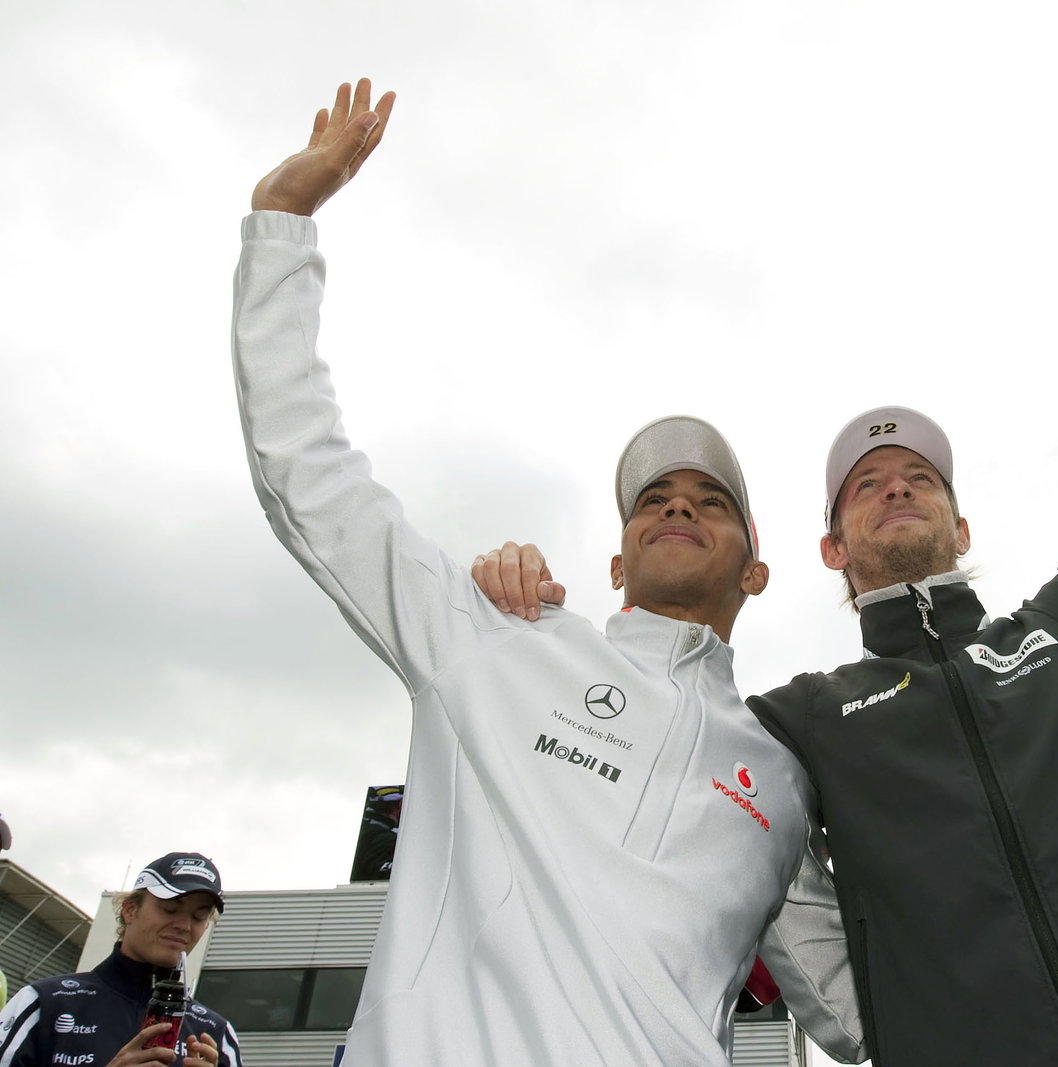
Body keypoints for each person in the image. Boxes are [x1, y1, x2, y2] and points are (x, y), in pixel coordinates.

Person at [476, 147, 1058, 1064]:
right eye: (866, 483)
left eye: (920, 476)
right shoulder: (804, 716)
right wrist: (521, 618)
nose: (897, 487)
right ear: (832, 547)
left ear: (960, 521)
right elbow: (712, 824)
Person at [231, 80, 859, 1065]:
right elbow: (309, 480)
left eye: (711, 497)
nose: (678, 504)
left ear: (757, 569)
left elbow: (869, 1013)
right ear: (615, 559)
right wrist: (282, 224)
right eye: (653, 497)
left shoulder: (780, 774)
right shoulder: (494, 636)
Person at [0, 852, 240, 1067]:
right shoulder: (44, 1002)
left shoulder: (216, 1033)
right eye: (170, 909)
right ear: (129, 910)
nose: (184, 925)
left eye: (199, 916)